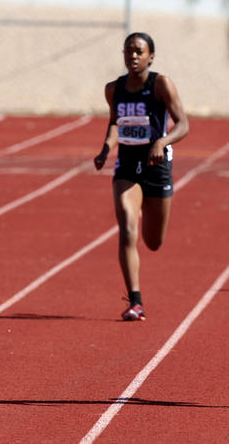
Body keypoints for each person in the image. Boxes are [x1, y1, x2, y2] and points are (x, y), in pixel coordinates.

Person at [93, 32, 189, 321]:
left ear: (151, 56)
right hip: (127, 165)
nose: (132, 56)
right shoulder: (114, 89)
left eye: (138, 51)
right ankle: (135, 299)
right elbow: (115, 123)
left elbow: (183, 124)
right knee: (126, 226)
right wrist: (105, 149)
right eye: (128, 51)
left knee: (153, 241)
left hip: (156, 165)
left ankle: (148, 208)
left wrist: (162, 142)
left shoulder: (161, 84)